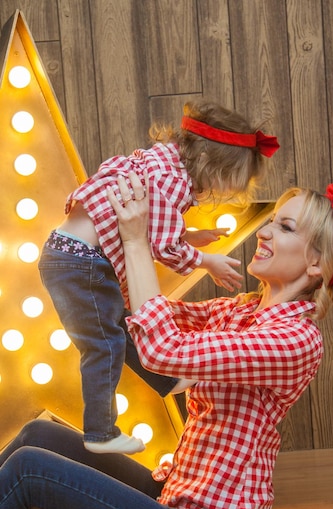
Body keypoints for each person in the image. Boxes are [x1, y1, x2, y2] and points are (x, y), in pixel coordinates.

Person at [0, 177, 333, 509]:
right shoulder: (241, 310)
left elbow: (161, 351)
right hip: (178, 495)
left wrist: (137, 243)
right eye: (272, 223)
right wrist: (95, 252)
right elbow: (141, 313)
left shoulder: (296, 340)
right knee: (38, 436)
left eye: (284, 228)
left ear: (317, 263)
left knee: (32, 469)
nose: (263, 232)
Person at [38, 100, 279, 454]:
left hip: (68, 255)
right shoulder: (173, 183)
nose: (222, 193)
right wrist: (206, 261)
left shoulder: (160, 161)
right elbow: (164, 248)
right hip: (83, 262)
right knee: (105, 345)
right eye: (226, 183)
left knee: (117, 329)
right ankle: (100, 432)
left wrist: (189, 236)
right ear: (212, 164)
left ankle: (166, 379)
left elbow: (152, 227)